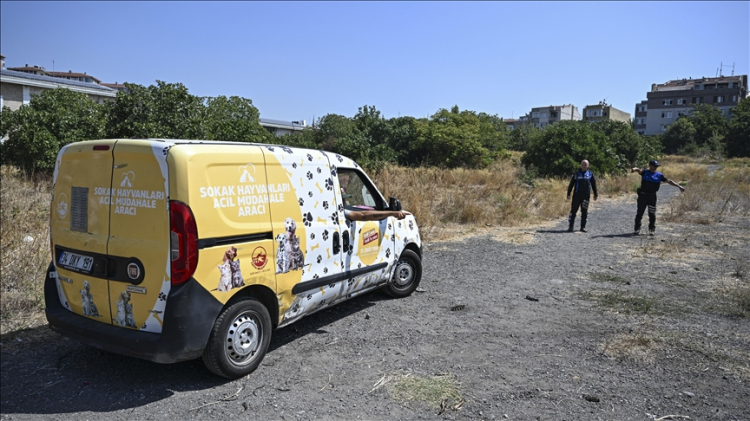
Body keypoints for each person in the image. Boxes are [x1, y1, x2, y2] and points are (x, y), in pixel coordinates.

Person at [631, 160, 685, 235]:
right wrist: (635, 169)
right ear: (650, 166)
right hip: (643, 196)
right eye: (654, 166)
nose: (655, 167)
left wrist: (679, 186)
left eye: (656, 166)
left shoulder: (659, 175)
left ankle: (652, 230)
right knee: (640, 213)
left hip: (652, 197)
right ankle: (637, 229)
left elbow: (669, 181)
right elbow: (639, 170)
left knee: (652, 214)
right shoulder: (645, 172)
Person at [566, 159, 598, 232]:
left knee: (584, 211)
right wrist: (568, 193)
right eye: (583, 165)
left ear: (588, 166)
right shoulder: (576, 174)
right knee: (573, 211)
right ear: (581, 165)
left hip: (586, 196)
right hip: (577, 196)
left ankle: (582, 227)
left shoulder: (590, 174)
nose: (584, 166)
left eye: (585, 165)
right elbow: (571, 184)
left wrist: (595, 194)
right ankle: (571, 226)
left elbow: (593, 184)